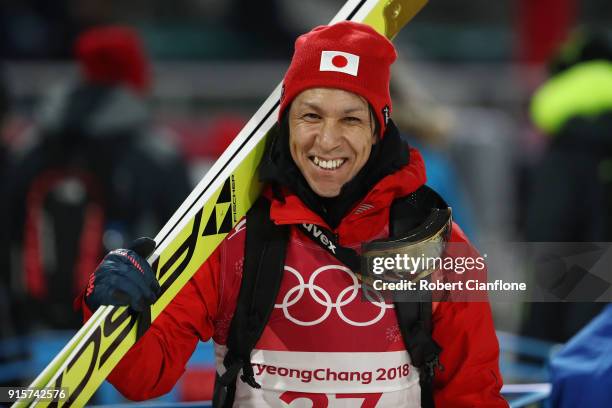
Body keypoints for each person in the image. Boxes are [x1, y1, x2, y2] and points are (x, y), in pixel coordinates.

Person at [80, 22, 506, 407]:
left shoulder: (438, 243)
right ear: (286, 123)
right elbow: (144, 378)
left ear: (379, 128)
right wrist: (112, 308)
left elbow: (473, 394)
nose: (327, 140)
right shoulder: (230, 240)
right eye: (311, 115)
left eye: (351, 119)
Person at [4, 26, 191, 330]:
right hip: (119, 331)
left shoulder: (30, 145)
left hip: (31, 330)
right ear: (136, 76)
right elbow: (184, 247)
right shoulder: (156, 152)